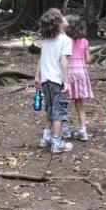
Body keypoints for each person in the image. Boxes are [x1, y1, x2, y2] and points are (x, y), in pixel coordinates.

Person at [34, 8, 73, 153]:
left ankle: (46, 138)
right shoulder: (65, 40)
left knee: (50, 109)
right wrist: (67, 82)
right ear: (58, 24)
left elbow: (41, 59)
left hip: (45, 81)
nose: (65, 18)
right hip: (57, 81)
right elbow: (64, 62)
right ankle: (57, 143)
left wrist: (37, 76)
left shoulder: (46, 41)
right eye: (62, 17)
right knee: (59, 113)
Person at [63, 15, 94, 142]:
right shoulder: (84, 41)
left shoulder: (63, 41)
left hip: (67, 74)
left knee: (63, 103)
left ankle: (64, 130)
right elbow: (88, 60)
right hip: (80, 74)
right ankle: (83, 130)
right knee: (79, 104)